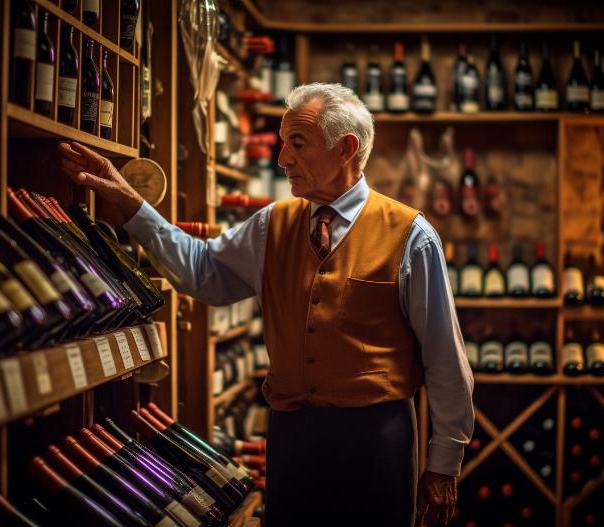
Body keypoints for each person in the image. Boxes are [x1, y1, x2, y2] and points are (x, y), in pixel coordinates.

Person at [59, 82, 474, 527]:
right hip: (292, 435)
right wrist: (131, 205)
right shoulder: (271, 224)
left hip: (376, 439)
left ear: (345, 149)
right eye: (281, 144)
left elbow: (444, 359)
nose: (282, 160)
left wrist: (444, 464)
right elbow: (202, 271)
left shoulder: (410, 235)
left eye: (297, 144)